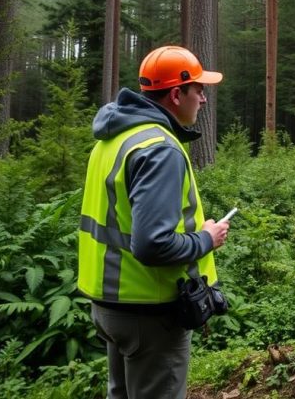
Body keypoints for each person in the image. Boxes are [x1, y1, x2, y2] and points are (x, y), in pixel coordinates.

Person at [77, 46, 230, 399]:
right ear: (176, 94)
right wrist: (207, 238)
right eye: (198, 90)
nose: (204, 99)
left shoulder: (114, 138)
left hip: (110, 305)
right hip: (150, 312)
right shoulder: (159, 148)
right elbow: (153, 244)